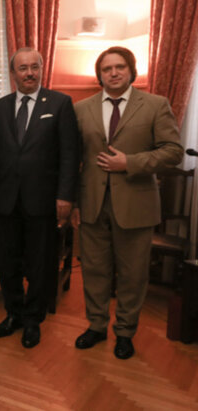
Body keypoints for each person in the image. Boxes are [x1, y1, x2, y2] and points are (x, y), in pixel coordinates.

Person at [71, 46, 183, 359]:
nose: (114, 73)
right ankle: (95, 326)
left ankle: (125, 332)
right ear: (99, 74)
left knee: (133, 273)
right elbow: (74, 158)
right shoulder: (82, 109)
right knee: (94, 270)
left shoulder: (155, 105)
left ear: (131, 71)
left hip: (137, 204)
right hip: (92, 201)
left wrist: (130, 162)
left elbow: (173, 151)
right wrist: (75, 202)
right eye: (107, 69)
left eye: (120, 67)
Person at [0, 47, 81, 348]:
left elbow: (69, 154)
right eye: (22, 68)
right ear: (13, 74)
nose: (29, 73)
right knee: (7, 261)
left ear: (41, 69)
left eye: (34, 67)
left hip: (44, 200)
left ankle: (33, 319)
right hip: (6, 199)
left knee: (40, 262)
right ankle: (13, 313)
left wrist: (65, 196)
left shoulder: (61, 103)